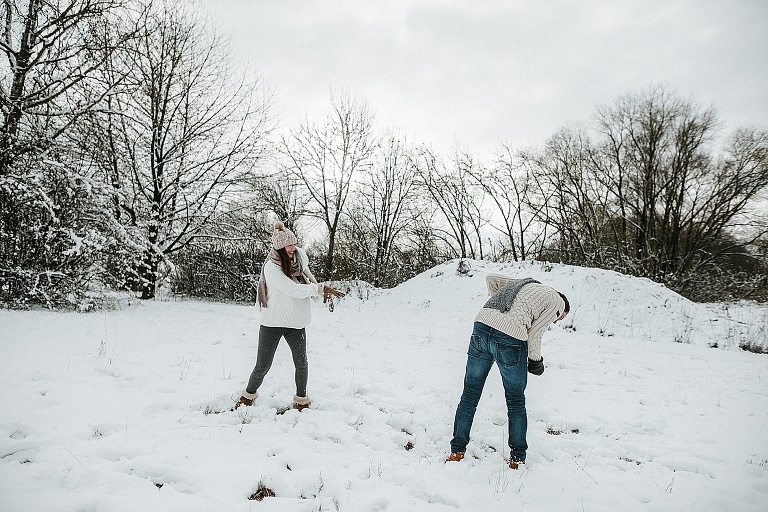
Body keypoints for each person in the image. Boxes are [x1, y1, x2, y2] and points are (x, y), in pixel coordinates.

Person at [446, 275, 569, 469]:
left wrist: (504, 310)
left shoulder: (527, 284)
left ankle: (456, 452)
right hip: (510, 338)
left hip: (482, 324)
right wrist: (536, 363)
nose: (556, 321)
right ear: (563, 309)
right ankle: (517, 458)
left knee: (469, 394)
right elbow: (534, 335)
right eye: (559, 318)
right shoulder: (556, 302)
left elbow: (492, 279)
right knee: (515, 401)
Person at [233, 222, 344, 411]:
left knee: (301, 363)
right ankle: (248, 396)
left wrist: (320, 290)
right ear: (279, 248)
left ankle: (302, 400)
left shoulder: (299, 257)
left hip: (296, 321)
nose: (293, 248)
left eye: (294, 243)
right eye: (288, 245)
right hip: (273, 321)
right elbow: (291, 289)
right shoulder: (271, 267)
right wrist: (316, 289)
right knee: (262, 366)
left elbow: (308, 275)